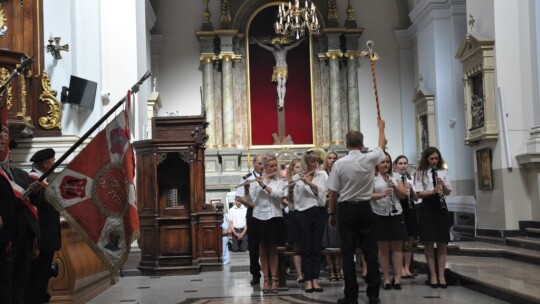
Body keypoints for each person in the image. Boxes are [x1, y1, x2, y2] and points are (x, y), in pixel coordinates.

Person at [327, 119, 386, 304]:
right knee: (370, 252)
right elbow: (381, 146)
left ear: (346, 145)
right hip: (364, 207)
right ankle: (373, 294)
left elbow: (333, 192)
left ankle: (351, 295)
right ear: (362, 144)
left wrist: (331, 213)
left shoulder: (339, 164)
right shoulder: (369, 158)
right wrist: (381, 129)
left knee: (347, 253)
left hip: (346, 209)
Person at [0, 124, 42, 304]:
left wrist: (36, 191)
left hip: (24, 235)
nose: (7, 153)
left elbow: (34, 203)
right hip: (6, 235)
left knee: (21, 280)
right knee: (5, 283)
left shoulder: (19, 174)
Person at [244, 153, 287, 294]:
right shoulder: (257, 180)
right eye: (272, 166)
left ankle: (274, 280)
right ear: (265, 167)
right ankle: (266, 279)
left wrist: (263, 185)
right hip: (259, 217)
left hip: (274, 217)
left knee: (273, 249)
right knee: (262, 249)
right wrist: (246, 189)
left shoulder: (280, 181)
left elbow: (278, 195)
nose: (275, 168)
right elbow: (251, 200)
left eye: (276, 166)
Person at [25, 148, 62, 304]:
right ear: (46, 163)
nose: (54, 163)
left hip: (48, 240)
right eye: (52, 161)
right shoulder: (32, 181)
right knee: (37, 277)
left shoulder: (44, 181)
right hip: (41, 240)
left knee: (43, 276)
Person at [414, 146, 452, 288]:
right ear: (426, 159)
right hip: (427, 208)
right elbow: (418, 193)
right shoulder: (421, 172)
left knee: (442, 242)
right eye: (431, 159)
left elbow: (448, 192)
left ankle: (442, 276)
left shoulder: (443, 171)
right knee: (429, 242)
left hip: (441, 207)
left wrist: (443, 187)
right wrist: (432, 191)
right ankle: (433, 276)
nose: (434, 161)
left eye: (436, 158)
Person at [370, 152, 407, 291]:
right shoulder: (372, 178)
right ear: (377, 164)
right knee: (383, 248)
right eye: (382, 162)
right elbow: (368, 195)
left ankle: (397, 278)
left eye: (387, 162)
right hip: (379, 213)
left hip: (396, 212)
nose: (385, 164)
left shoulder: (396, 176)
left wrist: (395, 186)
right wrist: (382, 194)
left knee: (397, 247)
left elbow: (403, 195)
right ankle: (386, 277)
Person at [292, 150, 327, 293]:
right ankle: (307, 280)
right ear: (306, 163)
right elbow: (295, 198)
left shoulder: (322, 175)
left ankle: (316, 280)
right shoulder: (296, 177)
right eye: (312, 161)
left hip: (318, 211)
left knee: (316, 247)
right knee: (305, 247)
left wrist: (309, 183)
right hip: (303, 213)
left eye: (317, 161)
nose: (315, 164)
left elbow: (324, 192)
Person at [253, 36, 303, 111]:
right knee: (279, 84)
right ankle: (280, 99)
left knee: (284, 84)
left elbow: (294, 45)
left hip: (284, 68)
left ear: (279, 44)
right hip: (278, 68)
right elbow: (263, 46)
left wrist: (302, 39)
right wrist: (256, 41)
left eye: (277, 45)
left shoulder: (285, 49)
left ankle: (282, 99)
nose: (276, 46)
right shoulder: (273, 50)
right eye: (275, 45)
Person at [235, 154, 264, 285]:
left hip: (267, 211)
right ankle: (255, 274)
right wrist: (249, 204)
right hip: (253, 212)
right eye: (259, 163)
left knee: (268, 243)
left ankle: (270, 273)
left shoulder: (269, 177)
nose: (261, 166)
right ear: (254, 163)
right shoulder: (246, 179)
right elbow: (239, 197)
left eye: (263, 163)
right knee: (253, 245)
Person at [393, 155, 419, 279]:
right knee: (400, 240)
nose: (403, 166)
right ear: (396, 165)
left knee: (409, 241)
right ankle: (401, 268)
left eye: (405, 163)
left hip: (410, 209)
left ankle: (407, 268)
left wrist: (411, 189)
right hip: (399, 209)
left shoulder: (411, 178)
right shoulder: (393, 178)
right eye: (400, 163)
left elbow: (417, 198)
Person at [320, 151, 343, 282]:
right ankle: (330, 269)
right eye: (329, 158)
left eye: (334, 158)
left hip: (338, 207)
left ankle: (339, 269)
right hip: (325, 208)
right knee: (328, 240)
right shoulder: (322, 174)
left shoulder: (339, 173)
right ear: (325, 160)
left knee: (338, 240)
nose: (332, 160)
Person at [284, 158, 303, 283]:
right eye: (297, 167)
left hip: (306, 213)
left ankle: (309, 272)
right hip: (294, 213)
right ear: (292, 169)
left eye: (301, 167)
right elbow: (286, 199)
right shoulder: (289, 182)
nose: (300, 169)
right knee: (297, 245)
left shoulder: (308, 179)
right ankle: (299, 274)